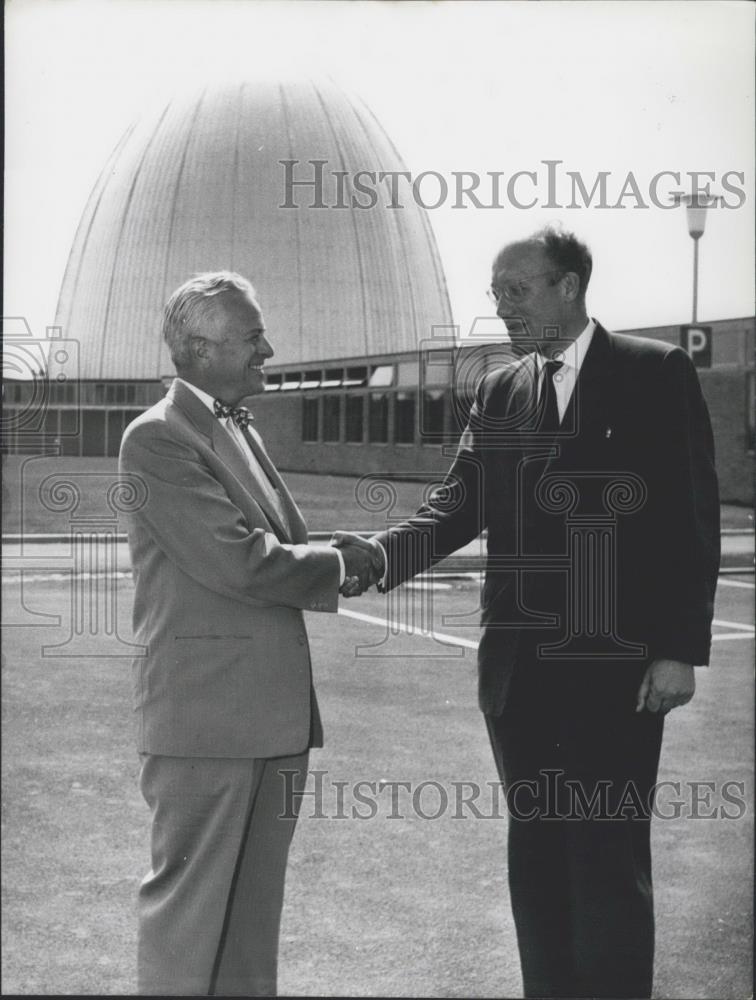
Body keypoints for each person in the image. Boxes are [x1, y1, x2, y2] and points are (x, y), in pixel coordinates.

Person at [335, 226, 720, 998]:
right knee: (537, 861)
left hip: (616, 671)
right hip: (517, 678)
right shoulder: (500, 389)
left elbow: (691, 513)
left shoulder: (654, 372)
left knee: (607, 864)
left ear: (569, 287)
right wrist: (380, 555)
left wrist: (679, 649)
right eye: (496, 292)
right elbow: (460, 500)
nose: (503, 306)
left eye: (518, 289)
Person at [119, 272, 373, 996]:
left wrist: (328, 553)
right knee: (189, 922)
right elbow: (238, 560)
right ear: (200, 349)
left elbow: (273, 545)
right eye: (253, 335)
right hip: (205, 722)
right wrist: (341, 564)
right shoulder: (157, 441)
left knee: (250, 928)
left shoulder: (239, 425)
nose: (270, 348)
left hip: (273, 719)